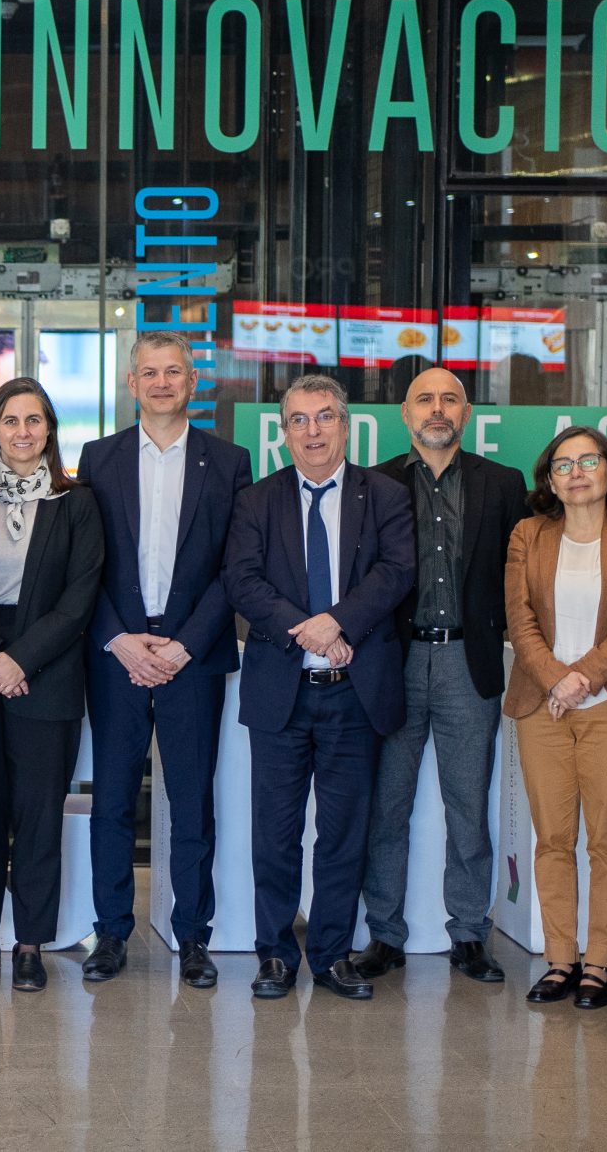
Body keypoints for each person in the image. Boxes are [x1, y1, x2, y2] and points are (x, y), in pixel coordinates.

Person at [222, 374, 414, 1002]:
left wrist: (339, 622)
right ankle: (275, 955)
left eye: (325, 417)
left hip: (354, 693)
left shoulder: (384, 495)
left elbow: (397, 571)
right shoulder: (257, 500)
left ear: (346, 425)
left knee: (343, 834)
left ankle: (331, 955)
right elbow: (242, 581)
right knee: (275, 834)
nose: (313, 431)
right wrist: (308, 630)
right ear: (283, 432)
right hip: (281, 692)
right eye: (299, 420)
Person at [76, 332, 249, 988]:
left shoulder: (228, 462)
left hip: (192, 658)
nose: (161, 383)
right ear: (132, 384)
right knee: (113, 800)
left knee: (192, 801)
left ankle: (193, 935)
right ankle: (111, 932)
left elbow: (237, 567)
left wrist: (184, 645)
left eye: (173, 372)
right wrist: (117, 639)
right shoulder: (99, 458)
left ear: (192, 382)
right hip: (116, 656)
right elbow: (83, 565)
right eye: (149, 373)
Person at [355, 366, 527, 986]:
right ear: (405, 413)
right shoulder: (374, 484)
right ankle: (384, 934)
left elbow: (518, 571)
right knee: (387, 806)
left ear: (466, 413)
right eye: (424, 399)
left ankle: (470, 934)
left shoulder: (503, 483)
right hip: (393, 661)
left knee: (468, 806)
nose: (437, 409)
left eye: (449, 399)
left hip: (467, 661)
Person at [502, 427, 607, 1011]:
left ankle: (600, 961)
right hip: (542, 707)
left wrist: (581, 680)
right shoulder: (528, 534)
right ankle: (559, 959)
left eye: (588, 462)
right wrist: (556, 680)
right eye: (563, 465)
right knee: (552, 840)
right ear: (550, 481)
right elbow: (520, 620)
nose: (576, 473)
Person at [0, 378, 102, 993]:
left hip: (49, 671)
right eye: (10, 421)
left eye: (34, 421)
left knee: (39, 817)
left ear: (49, 431)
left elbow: (80, 597)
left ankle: (31, 942)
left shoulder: (76, 503)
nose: (22, 432)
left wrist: (21, 659)